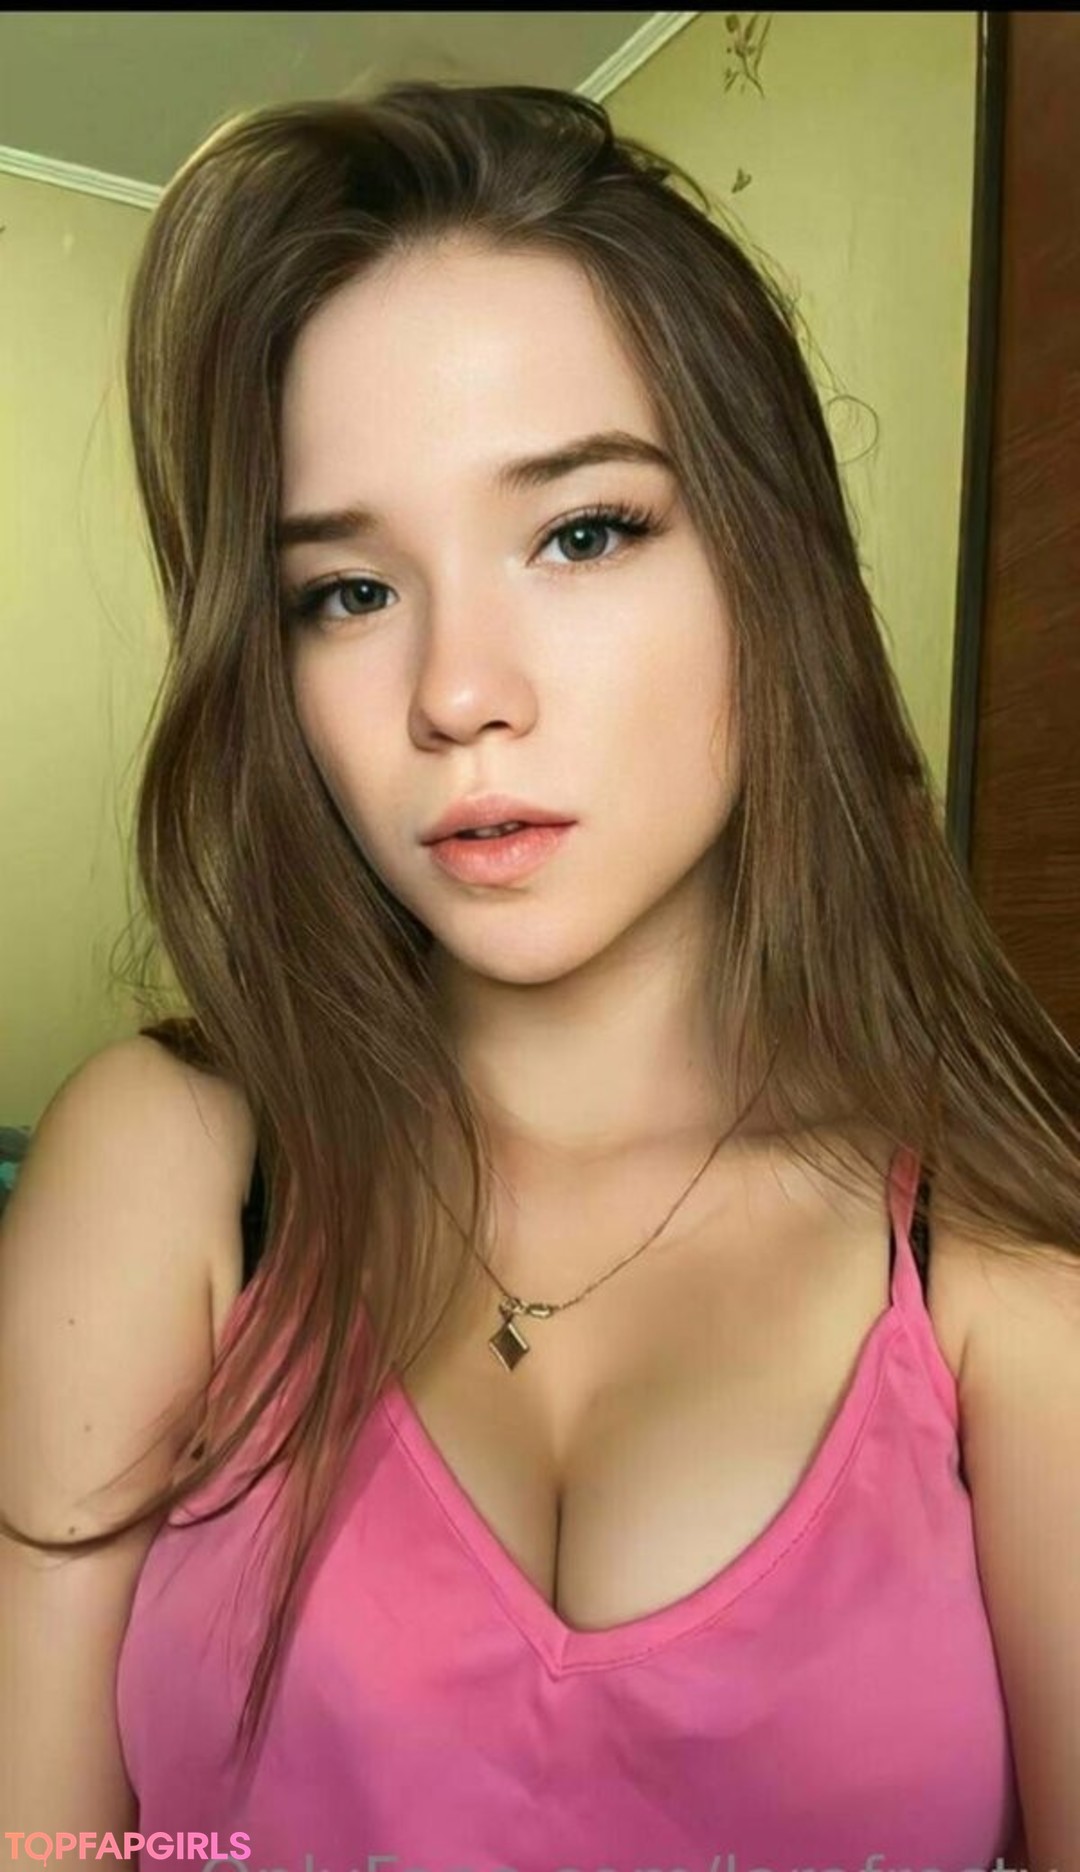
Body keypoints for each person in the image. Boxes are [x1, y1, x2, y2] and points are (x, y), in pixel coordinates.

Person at [1, 80, 1077, 1869]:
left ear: (772, 565)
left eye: (582, 533)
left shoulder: (998, 1248)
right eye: (348, 591)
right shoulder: (173, 1165)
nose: (455, 693)